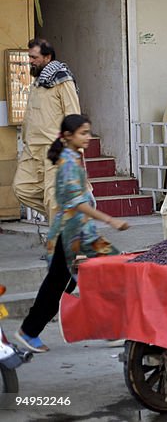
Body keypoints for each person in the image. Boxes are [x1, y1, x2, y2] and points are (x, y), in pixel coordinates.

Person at [14, 114, 129, 353]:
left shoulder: (74, 157)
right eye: (83, 133)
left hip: (82, 233)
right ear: (68, 136)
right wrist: (110, 220)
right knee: (64, 284)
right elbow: (76, 202)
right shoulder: (67, 162)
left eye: (88, 132)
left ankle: (109, 328)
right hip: (70, 236)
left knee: (103, 272)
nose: (88, 137)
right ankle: (29, 330)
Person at [14, 39, 81, 221]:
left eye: (34, 57)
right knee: (22, 188)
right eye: (29, 57)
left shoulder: (62, 80)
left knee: (53, 198)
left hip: (56, 148)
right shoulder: (38, 81)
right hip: (33, 149)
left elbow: (73, 115)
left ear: (47, 57)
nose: (30, 61)